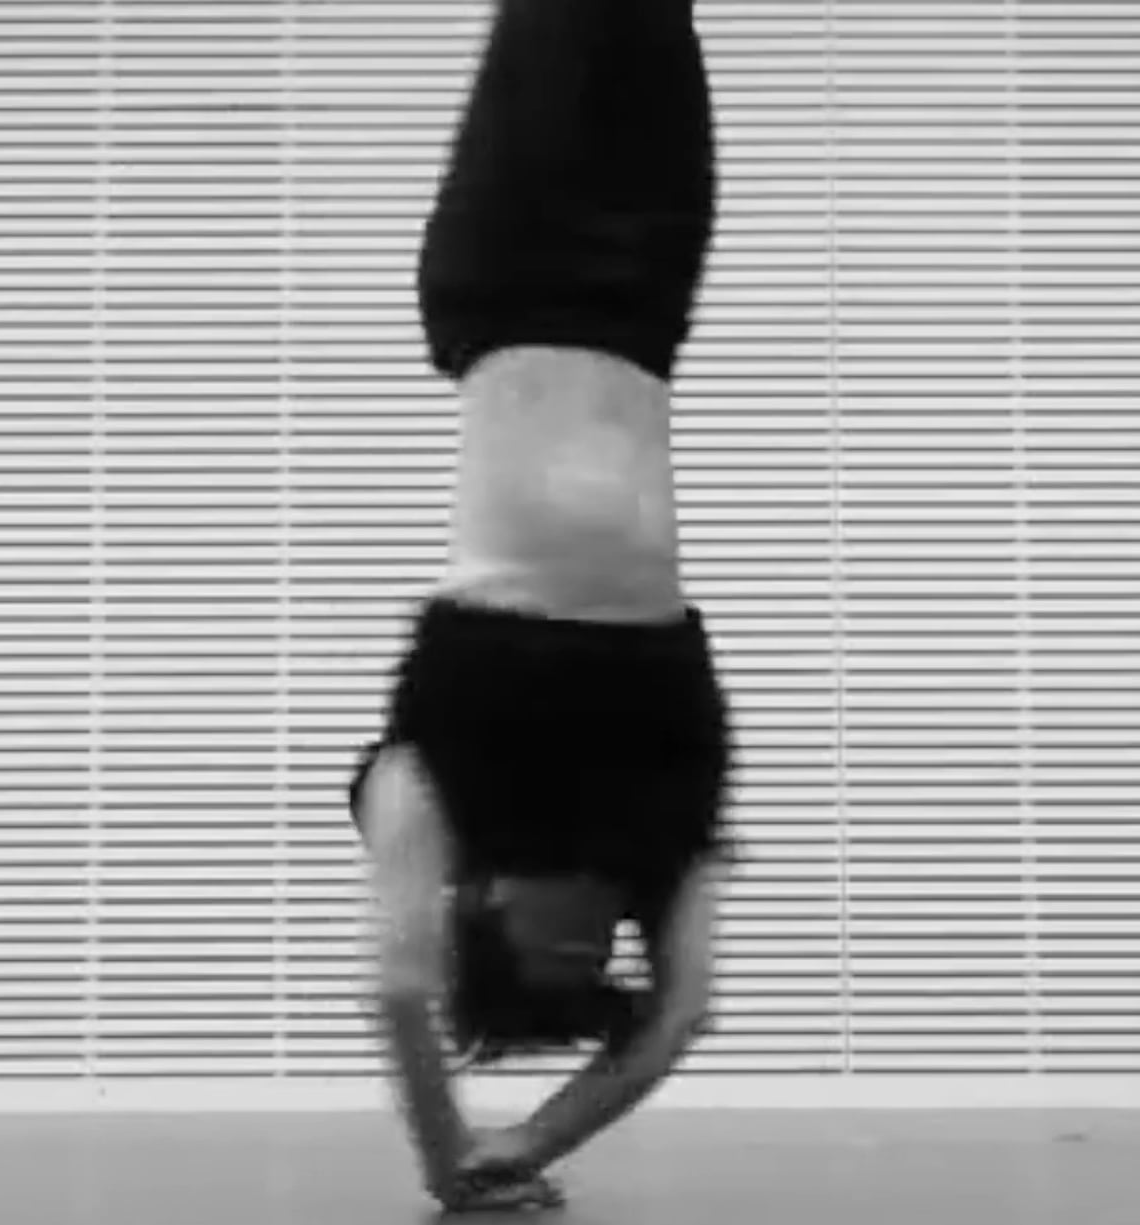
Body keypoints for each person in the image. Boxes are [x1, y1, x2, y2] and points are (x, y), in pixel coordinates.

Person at [345, 0, 730, 1212]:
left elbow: (395, 986)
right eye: (593, 953)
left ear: (478, 908)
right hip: (644, 288)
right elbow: (680, 1016)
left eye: (539, 950)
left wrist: (450, 1162)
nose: (585, 937)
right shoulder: (664, 815)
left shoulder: (429, 788)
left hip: (504, 276)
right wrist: (532, 1142)